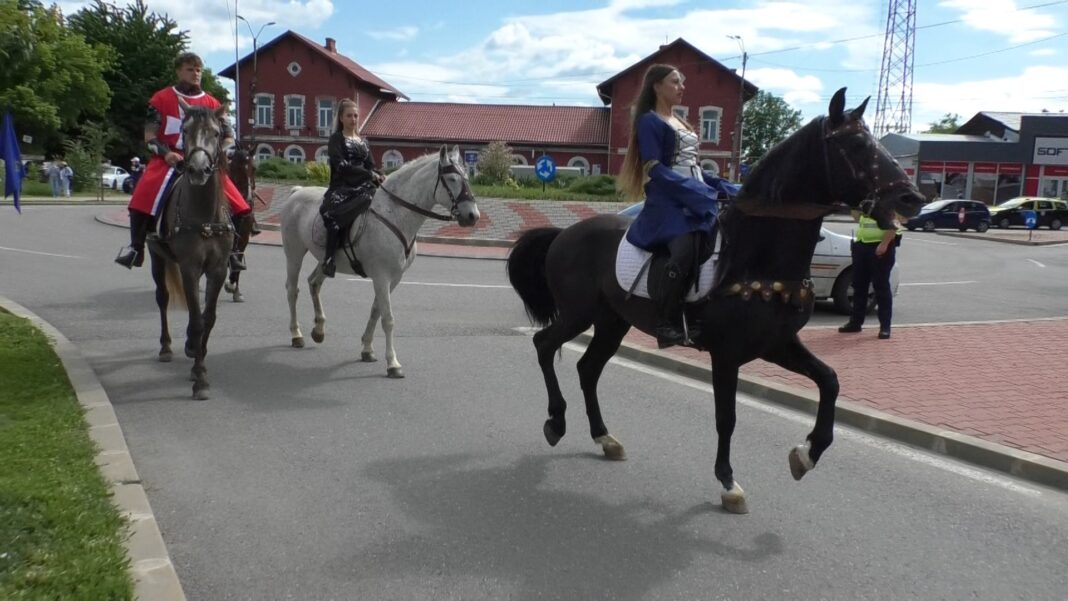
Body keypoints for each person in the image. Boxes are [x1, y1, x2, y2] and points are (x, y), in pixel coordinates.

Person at [618, 64, 723, 349]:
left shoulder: (681, 122)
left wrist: (726, 187)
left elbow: (694, 167)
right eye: (675, 82)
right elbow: (654, 169)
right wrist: (694, 191)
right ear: (657, 86)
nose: (682, 87)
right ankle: (666, 322)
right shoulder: (649, 121)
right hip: (667, 202)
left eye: (681, 81)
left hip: (694, 197)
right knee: (685, 249)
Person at [115, 52, 251, 269]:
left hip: (205, 161)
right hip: (169, 159)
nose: (195, 74)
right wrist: (166, 153)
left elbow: (228, 137)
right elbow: (149, 137)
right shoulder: (160, 99)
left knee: (240, 205)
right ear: (179, 71)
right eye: (190, 69)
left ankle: (232, 251)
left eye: (198, 70)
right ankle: (136, 248)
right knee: (143, 195)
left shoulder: (212, 103)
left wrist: (216, 154)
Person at [319, 98, 383, 277]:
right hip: (342, 187)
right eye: (349, 116)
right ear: (341, 118)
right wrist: (368, 175)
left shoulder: (363, 141)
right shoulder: (336, 139)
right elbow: (341, 165)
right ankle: (329, 259)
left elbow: (370, 165)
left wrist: (379, 174)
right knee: (333, 216)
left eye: (355, 115)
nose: (353, 119)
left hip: (365, 186)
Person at [838, 200, 902, 339]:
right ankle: (855, 323)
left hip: (880, 247)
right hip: (862, 245)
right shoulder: (866, 201)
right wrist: (854, 206)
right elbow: (857, 218)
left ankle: (885, 327)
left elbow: (894, 225)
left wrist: (884, 244)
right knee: (859, 286)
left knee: (881, 287)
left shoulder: (887, 201)